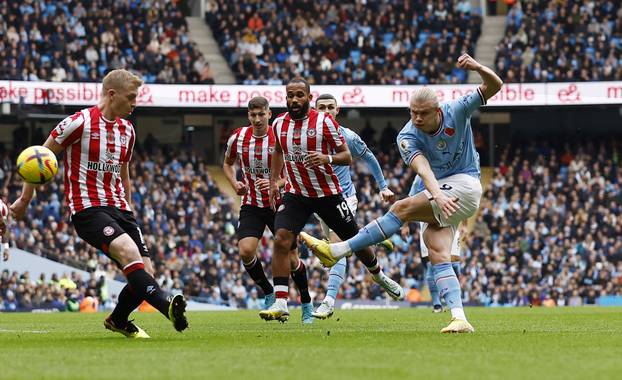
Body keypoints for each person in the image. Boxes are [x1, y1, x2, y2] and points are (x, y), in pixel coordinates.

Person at [301, 53, 503, 333]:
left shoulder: (457, 109)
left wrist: (479, 68)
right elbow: (424, 170)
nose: (416, 118)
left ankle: (338, 249)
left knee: (400, 209)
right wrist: (438, 195)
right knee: (437, 250)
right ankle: (459, 317)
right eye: (412, 113)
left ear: (437, 111)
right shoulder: (406, 136)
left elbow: (495, 86)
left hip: (465, 185)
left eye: (423, 113)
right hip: (444, 193)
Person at [10, 69, 188, 338]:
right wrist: (25, 199)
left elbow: (123, 173)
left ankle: (118, 319)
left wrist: (129, 208)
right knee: (128, 252)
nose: (134, 103)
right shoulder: (78, 122)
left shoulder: (128, 130)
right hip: (88, 208)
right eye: (130, 97)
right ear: (112, 95)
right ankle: (167, 308)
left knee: (146, 272)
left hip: (120, 209)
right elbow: (39, 157)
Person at [259, 77, 404, 322]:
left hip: (329, 195)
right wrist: (274, 182)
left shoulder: (325, 123)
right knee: (281, 238)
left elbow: (347, 157)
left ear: (308, 97)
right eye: (290, 95)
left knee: (354, 242)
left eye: (299, 95)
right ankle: (281, 302)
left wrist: (326, 159)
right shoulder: (279, 124)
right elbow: (278, 152)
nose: (294, 99)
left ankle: (378, 275)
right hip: (297, 194)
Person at [223, 96, 314, 323]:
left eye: (261, 114)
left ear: (269, 114)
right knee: (245, 251)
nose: (257, 119)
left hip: (280, 204)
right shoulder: (238, 138)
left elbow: (294, 170)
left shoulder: (280, 136)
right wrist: (235, 183)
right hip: (251, 204)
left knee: (292, 259)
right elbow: (227, 163)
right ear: (248, 116)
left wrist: (277, 184)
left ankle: (306, 301)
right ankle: (268, 291)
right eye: (253, 115)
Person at [311, 94, 396, 319]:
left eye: (331, 107)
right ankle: (376, 261)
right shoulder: (307, 138)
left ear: (337, 111)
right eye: (322, 108)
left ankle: (328, 302)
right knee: (348, 243)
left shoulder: (347, 136)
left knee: (337, 247)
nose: (326, 111)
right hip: (319, 201)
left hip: (344, 198)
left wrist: (383, 186)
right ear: (314, 110)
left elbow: (369, 157)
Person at [409, 175, 462, 313]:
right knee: (431, 264)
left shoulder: (451, 169)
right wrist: (404, 225)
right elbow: (410, 197)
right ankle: (437, 305)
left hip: (451, 218)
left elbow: (463, 197)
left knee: (454, 261)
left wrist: (466, 225)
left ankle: (451, 296)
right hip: (428, 221)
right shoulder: (421, 175)